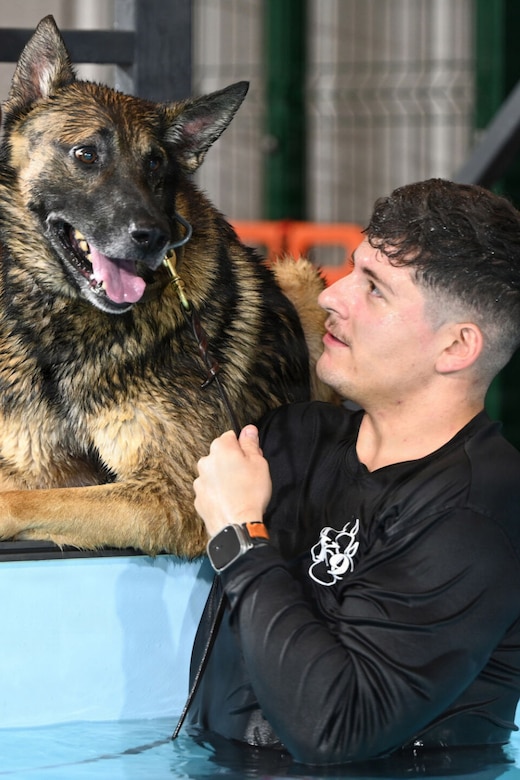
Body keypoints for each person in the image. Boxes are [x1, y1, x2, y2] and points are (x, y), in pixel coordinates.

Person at [187, 178, 520, 767]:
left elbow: (335, 730)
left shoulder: (477, 512)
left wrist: (240, 538)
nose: (331, 297)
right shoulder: (295, 437)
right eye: (351, 270)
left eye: (375, 290)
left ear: (456, 347)